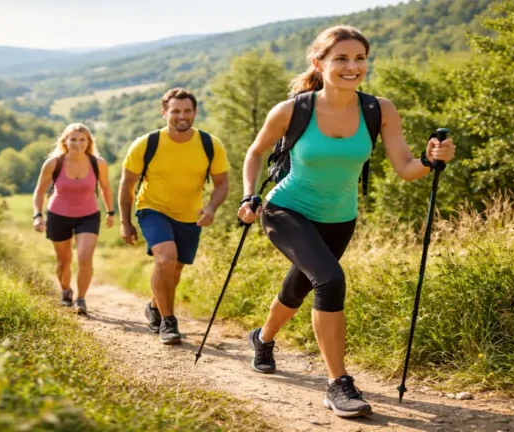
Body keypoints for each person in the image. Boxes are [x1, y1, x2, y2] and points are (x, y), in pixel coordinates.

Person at [237, 25, 456, 418]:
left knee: (299, 286)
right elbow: (254, 152)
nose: (351, 66)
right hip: (286, 209)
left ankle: (262, 338)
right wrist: (248, 195)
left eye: (359, 58)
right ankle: (338, 383)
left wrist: (430, 160)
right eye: (341, 58)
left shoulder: (378, 110)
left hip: (340, 217)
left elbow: (406, 168)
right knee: (330, 280)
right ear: (319, 64)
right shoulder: (293, 109)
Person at [118, 88, 230, 345]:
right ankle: (169, 322)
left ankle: (155, 308)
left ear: (195, 112)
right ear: (164, 112)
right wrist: (126, 221)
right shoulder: (146, 144)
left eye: (187, 110)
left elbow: (222, 183)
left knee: (175, 270)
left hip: (190, 215)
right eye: (175, 111)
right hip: (152, 209)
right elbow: (126, 184)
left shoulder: (209, 144)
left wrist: (211, 207)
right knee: (165, 259)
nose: (182, 116)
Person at [33, 123, 115, 315]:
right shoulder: (54, 163)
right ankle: (66, 291)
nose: (78, 143)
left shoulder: (98, 163)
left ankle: (81, 298)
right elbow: (39, 190)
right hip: (58, 215)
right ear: (65, 141)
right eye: (73, 139)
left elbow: (105, 187)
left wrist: (111, 212)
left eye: (82, 139)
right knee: (64, 260)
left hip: (88, 215)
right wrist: (37, 215)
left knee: (85, 257)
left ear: (88, 142)